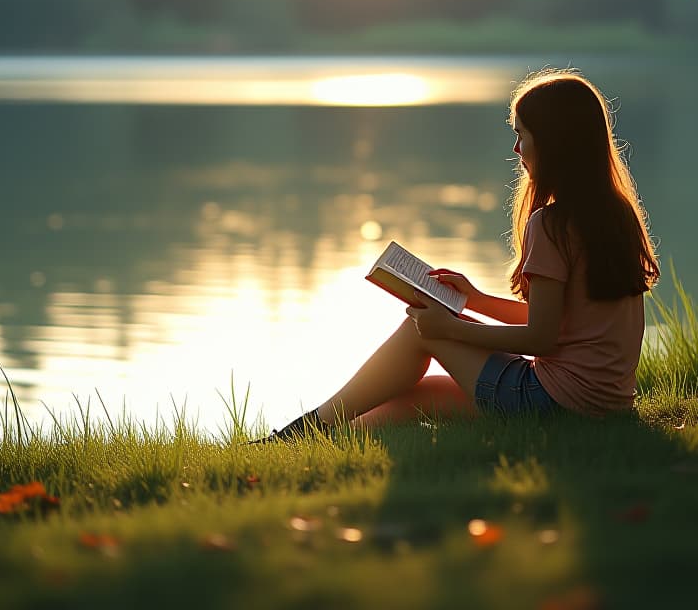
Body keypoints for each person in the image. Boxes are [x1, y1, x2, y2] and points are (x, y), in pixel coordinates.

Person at [253, 67, 660, 443]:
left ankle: (300, 430)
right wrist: (474, 301)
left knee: (417, 331)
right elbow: (559, 322)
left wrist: (450, 329)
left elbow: (542, 337)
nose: (517, 148)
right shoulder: (615, 216)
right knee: (419, 396)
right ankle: (307, 441)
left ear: (553, 143)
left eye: (522, 135)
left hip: (554, 404)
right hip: (604, 407)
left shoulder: (551, 225)